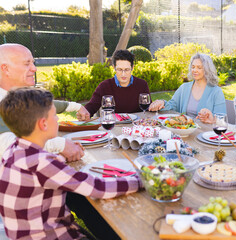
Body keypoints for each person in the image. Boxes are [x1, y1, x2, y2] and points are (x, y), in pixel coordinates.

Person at [0, 87, 142, 239]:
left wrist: (62, 159)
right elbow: (98, 188)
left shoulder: (13, 151)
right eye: (55, 116)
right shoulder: (42, 163)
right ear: (43, 124)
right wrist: (141, 180)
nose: (57, 120)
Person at [0, 43, 87, 161]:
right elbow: (11, 146)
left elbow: (40, 104)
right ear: (5, 69)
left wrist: (76, 107)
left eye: (33, 63)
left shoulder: (15, 96)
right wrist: (60, 145)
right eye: (27, 64)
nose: (34, 69)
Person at [149, 53, 226, 123]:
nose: (195, 70)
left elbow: (222, 119)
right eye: (193, 67)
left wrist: (212, 119)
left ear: (206, 70)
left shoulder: (216, 91)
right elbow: (172, 105)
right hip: (184, 131)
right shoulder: (184, 88)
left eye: (199, 67)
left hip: (206, 134)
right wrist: (162, 103)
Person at [85, 49, 151, 116]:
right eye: (119, 69)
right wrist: (84, 112)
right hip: (113, 125)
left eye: (127, 70)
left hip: (136, 125)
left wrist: (157, 104)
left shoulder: (142, 85)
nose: (123, 74)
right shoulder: (104, 86)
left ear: (132, 68)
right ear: (114, 67)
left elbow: (149, 108)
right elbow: (91, 107)